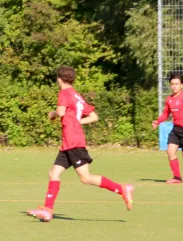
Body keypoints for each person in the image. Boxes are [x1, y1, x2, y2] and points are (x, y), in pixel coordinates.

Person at [27, 66, 134, 222]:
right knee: (54, 173)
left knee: (86, 177)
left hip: (73, 142)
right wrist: (77, 121)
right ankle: (48, 210)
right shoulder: (76, 95)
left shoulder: (64, 93)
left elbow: (61, 112)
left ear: (59, 79)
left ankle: (122, 189)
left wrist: (53, 114)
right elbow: (94, 116)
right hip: (69, 142)